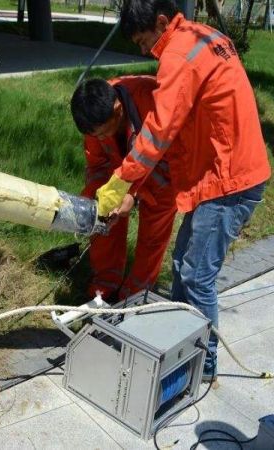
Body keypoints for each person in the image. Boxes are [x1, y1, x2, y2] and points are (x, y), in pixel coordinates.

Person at [95, 0, 271, 381]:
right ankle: (179, 345)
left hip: (229, 177)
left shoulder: (177, 55)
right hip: (226, 167)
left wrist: (121, 181)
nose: (144, 52)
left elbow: (157, 132)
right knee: (182, 265)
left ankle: (201, 366)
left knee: (195, 276)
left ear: (161, 22)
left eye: (144, 42)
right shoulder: (204, 34)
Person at [71, 76, 177, 302]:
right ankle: (105, 284)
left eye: (102, 133)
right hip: (119, 174)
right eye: (94, 136)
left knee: (152, 236)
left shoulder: (150, 99)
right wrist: (96, 203)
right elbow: (97, 165)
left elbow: (160, 150)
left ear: (118, 110)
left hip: (163, 174)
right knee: (99, 213)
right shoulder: (94, 115)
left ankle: (135, 295)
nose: (99, 139)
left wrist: (132, 193)